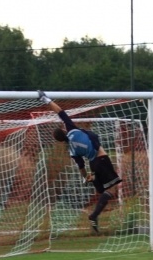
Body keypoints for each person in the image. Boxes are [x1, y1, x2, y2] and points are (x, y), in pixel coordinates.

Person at [38, 90, 122, 234]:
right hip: (101, 159)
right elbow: (60, 112)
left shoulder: (71, 150)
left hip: (93, 165)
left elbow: (81, 167)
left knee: (103, 190)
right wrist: (46, 99)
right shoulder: (72, 130)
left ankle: (95, 212)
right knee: (112, 189)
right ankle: (94, 215)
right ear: (64, 130)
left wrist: (85, 178)